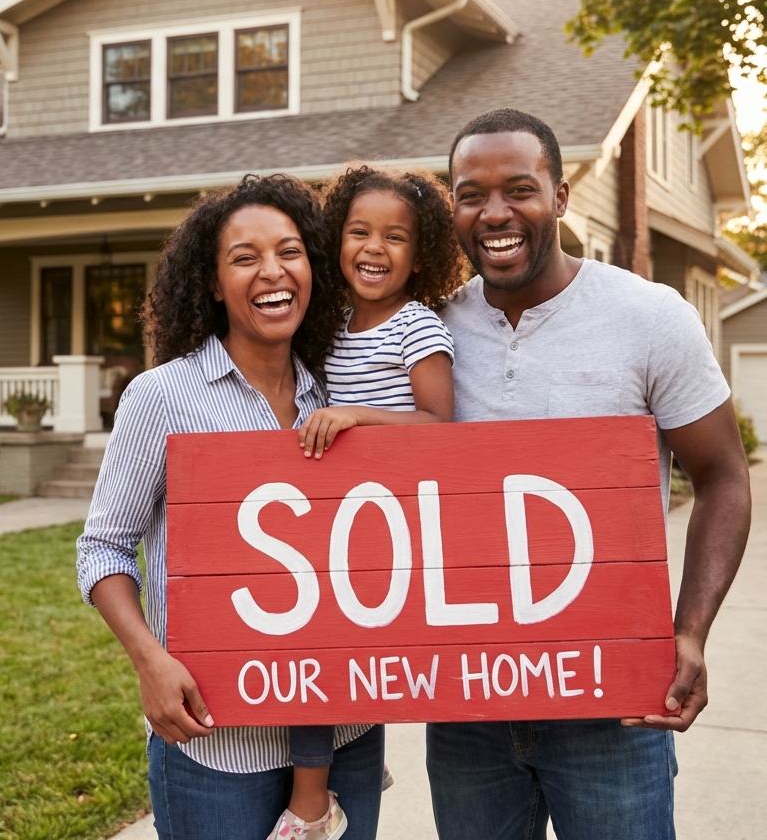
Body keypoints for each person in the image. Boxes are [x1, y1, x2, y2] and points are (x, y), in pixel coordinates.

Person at [429, 108, 752, 840]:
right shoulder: (428, 328)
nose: (495, 213)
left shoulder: (650, 315)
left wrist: (690, 633)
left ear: (562, 197)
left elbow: (724, 476)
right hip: (467, 705)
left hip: (612, 704)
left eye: (519, 188)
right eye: (471, 194)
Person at [76, 174, 385, 840]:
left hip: (347, 734)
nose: (272, 272)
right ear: (213, 283)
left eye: (290, 251)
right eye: (245, 258)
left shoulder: (338, 394)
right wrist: (149, 661)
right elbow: (102, 548)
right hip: (217, 742)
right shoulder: (162, 397)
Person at [267, 165, 464, 840]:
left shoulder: (416, 325)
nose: (374, 248)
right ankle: (348, 763)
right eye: (358, 232)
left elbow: (441, 427)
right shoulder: (330, 325)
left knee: (326, 645)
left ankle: (313, 803)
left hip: (392, 521)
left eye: (396, 237)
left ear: (423, 253)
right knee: (321, 649)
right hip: (330, 516)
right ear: (335, 239)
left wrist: (356, 417)